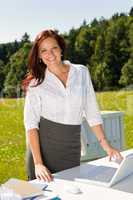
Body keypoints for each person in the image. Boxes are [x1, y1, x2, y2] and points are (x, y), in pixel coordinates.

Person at [23, 29, 122, 182]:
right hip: (43, 153)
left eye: (54, 48)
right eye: (44, 50)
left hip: (71, 148)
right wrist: (38, 164)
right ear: (39, 56)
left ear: (61, 49)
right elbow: (31, 125)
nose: (50, 54)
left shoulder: (81, 72)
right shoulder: (36, 84)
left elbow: (92, 112)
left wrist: (106, 145)